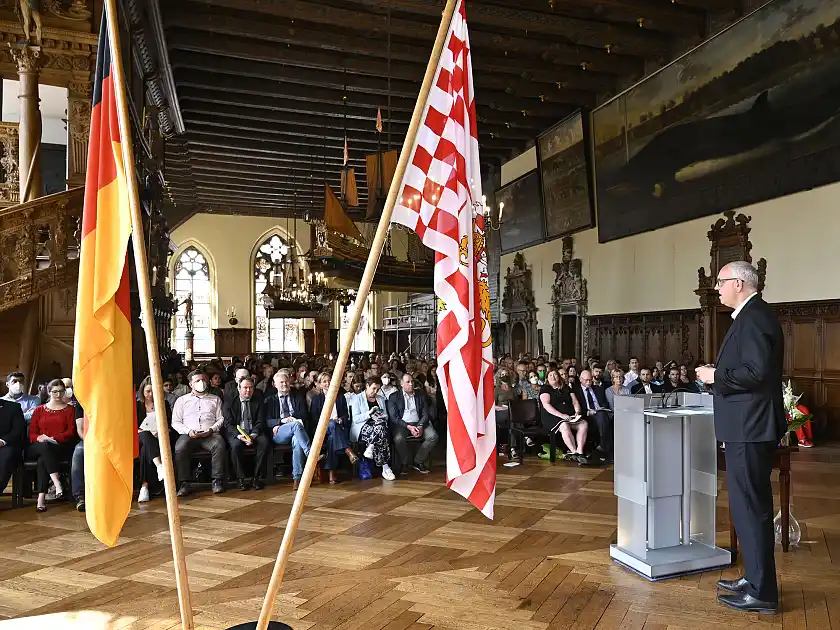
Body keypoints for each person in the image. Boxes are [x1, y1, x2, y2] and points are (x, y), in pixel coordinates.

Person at [695, 262, 784, 614]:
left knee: (751, 509)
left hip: (750, 427)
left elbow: (756, 373)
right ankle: (754, 578)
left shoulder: (756, 317)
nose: (716, 287)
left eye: (720, 281)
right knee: (747, 508)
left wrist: (715, 376)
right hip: (746, 426)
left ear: (739, 283)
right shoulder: (750, 316)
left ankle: (762, 592)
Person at [171, 370, 227, 497]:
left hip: (210, 434)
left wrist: (211, 429)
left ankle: (217, 480)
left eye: (203, 380)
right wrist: (188, 431)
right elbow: (176, 422)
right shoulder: (182, 400)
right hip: (189, 434)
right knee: (180, 448)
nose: (201, 383)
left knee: (219, 444)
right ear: (191, 384)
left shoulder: (215, 399)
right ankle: (184, 483)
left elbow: (221, 418)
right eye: (197, 381)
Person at [27, 380, 77, 511]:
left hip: (59, 446)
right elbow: (32, 433)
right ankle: (57, 482)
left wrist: (53, 438)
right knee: (44, 447)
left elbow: (70, 432)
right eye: (55, 391)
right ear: (49, 392)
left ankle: (41, 498)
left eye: (61, 391)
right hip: (38, 445)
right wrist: (39, 437)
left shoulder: (71, 410)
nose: (59, 394)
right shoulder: (39, 410)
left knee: (43, 459)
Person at [262, 370, 315, 490]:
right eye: (281, 382)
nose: (284, 384)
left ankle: (297, 478)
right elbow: (267, 421)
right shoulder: (270, 400)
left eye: (286, 381)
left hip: (297, 431)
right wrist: (281, 422)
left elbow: (304, 415)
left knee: (297, 440)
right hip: (279, 433)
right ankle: (311, 454)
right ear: (275, 385)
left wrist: (292, 419)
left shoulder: (297, 396)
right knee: (295, 425)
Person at [224, 377, 270, 490]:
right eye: (245, 388)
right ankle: (240, 479)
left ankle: (256, 477)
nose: (248, 390)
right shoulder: (230, 401)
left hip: (254, 431)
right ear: (239, 388)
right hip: (237, 433)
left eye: (250, 388)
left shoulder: (258, 400)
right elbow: (228, 424)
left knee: (264, 442)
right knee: (235, 446)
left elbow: (261, 421)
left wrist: (253, 435)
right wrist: (240, 436)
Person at [310, 372, 356, 484]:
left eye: (329, 380)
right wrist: (328, 422)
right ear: (320, 385)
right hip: (322, 430)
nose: (327, 383)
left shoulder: (340, 397)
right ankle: (348, 450)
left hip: (338, 428)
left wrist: (340, 420)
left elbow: (345, 415)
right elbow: (314, 419)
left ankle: (332, 472)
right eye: (324, 381)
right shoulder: (317, 399)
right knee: (332, 425)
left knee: (332, 437)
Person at [388, 373, 438, 475]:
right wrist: (409, 427)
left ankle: (418, 461)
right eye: (408, 382)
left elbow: (425, 414)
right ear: (401, 384)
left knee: (433, 436)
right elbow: (394, 418)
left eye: (412, 381)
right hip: (403, 425)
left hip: (419, 422)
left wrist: (420, 426)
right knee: (398, 439)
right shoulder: (394, 396)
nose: (411, 384)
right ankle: (404, 462)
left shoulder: (420, 394)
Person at [348, 376, 395, 481]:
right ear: (367, 386)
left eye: (378, 389)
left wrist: (380, 415)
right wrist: (369, 414)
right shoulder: (357, 398)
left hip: (378, 425)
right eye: (373, 388)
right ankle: (385, 467)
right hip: (362, 427)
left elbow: (386, 416)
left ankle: (371, 446)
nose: (375, 391)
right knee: (381, 433)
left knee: (381, 426)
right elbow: (356, 419)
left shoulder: (380, 399)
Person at [136, 377, 173, 503]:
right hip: (139, 436)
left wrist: (160, 432)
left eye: (153, 391)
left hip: (158, 437)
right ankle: (159, 466)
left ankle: (144, 487)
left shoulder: (164, 404)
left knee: (146, 448)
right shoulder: (137, 406)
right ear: (142, 392)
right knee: (146, 436)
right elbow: (131, 427)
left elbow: (168, 424)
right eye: (148, 391)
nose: (150, 394)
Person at [539, 369, 586, 463]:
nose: (553, 377)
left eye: (555, 374)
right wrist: (561, 415)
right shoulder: (545, 388)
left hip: (568, 416)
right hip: (552, 416)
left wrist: (577, 411)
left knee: (583, 423)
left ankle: (579, 451)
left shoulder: (566, 388)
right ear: (547, 378)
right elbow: (546, 405)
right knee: (564, 425)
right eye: (550, 375)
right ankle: (573, 452)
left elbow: (575, 401)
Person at [578, 370, 612, 464]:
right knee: (602, 417)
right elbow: (577, 406)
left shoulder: (598, 389)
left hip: (601, 413)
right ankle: (603, 447)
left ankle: (602, 445)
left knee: (602, 414)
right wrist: (587, 412)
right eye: (586, 380)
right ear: (581, 379)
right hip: (587, 415)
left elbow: (605, 403)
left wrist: (602, 408)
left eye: (590, 380)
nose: (589, 382)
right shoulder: (576, 391)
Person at [0, 395, 25, 497]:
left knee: (7, 456)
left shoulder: (13, 407)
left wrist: (2, 441)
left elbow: (18, 430)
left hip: (6, 445)